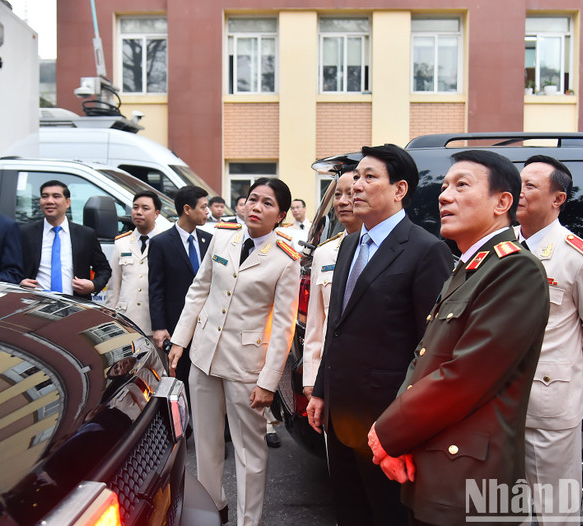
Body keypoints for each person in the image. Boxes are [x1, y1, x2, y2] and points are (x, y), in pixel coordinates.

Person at [369, 150, 550, 526]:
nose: (444, 196)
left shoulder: (515, 268)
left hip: (472, 484)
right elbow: (424, 358)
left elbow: (464, 377)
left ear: (502, 202)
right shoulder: (469, 267)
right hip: (435, 465)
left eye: (461, 185)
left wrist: (388, 433)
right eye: (445, 186)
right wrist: (398, 439)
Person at [306, 144, 453, 526]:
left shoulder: (425, 250)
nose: (355, 185)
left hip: (385, 421)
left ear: (399, 190)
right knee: (348, 511)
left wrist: (404, 424)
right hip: (339, 416)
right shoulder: (350, 242)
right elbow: (337, 326)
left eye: (369, 177)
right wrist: (321, 391)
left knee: (388, 514)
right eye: (356, 176)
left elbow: (430, 347)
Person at [167, 177, 300, 526]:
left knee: (249, 452)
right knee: (207, 445)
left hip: (246, 365)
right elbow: (199, 290)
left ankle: (249, 521)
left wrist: (269, 382)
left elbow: (285, 327)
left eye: (267, 203)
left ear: (281, 215)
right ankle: (213, 511)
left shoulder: (286, 260)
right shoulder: (222, 237)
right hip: (205, 356)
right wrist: (180, 339)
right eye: (252, 199)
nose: (256, 207)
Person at [516, 155, 583, 524]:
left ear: (557, 199)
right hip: (497, 399)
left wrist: (561, 366)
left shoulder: (579, 258)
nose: (519, 192)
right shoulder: (500, 248)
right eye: (518, 183)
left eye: (530, 185)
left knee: (554, 509)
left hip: (548, 405)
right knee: (500, 506)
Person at [302, 170, 363, 399]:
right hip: (330, 373)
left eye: (350, 193)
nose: (342, 202)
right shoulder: (325, 253)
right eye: (337, 195)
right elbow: (315, 323)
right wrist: (310, 378)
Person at [149, 186, 212, 389]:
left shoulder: (209, 240)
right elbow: (156, 288)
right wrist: (159, 327)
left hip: (206, 325)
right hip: (176, 325)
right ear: (187, 209)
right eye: (203, 207)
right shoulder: (161, 243)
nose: (207, 212)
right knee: (181, 380)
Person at [19, 180, 111, 299]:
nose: (49, 201)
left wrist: (93, 285)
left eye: (56, 196)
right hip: (34, 304)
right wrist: (19, 283)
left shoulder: (85, 235)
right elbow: (10, 268)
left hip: (75, 306)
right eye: (44, 196)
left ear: (67, 202)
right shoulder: (25, 233)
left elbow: (104, 268)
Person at [105, 190, 163, 334]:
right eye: (135, 207)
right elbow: (114, 285)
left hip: (154, 321)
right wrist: (110, 314)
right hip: (126, 319)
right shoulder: (121, 243)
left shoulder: (165, 241)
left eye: (145, 208)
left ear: (157, 214)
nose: (138, 212)